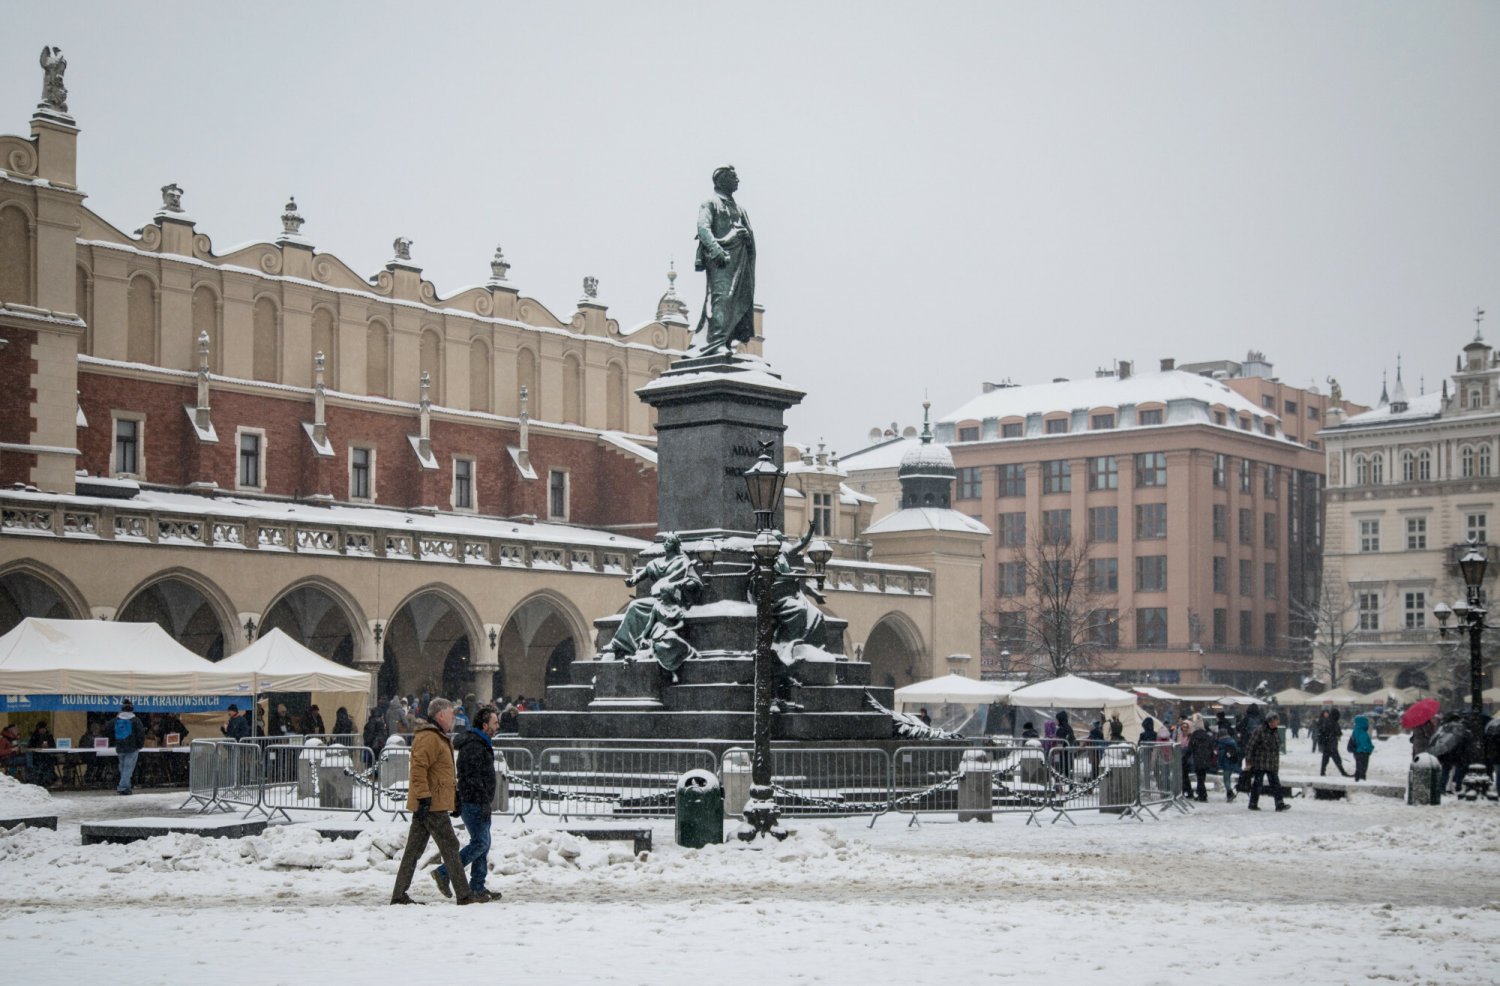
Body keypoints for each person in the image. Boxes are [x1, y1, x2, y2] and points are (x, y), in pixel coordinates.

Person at [389, 698, 477, 906]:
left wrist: (453, 797)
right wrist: (424, 797)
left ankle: (399, 894)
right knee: (450, 845)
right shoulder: (430, 737)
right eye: (451, 714)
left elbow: (440, 773)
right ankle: (464, 894)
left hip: (432, 801)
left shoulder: (436, 736)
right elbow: (418, 769)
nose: (453, 718)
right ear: (440, 715)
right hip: (431, 803)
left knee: (413, 850)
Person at [432, 705, 501, 904]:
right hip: (474, 802)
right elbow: (471, 778)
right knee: (480, 843)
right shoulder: (474, 746)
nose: (497, 726)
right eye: (495, 722)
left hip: (479, 801)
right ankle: (444, 872)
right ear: (485, 725)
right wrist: (482, 799)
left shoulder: (480, 742)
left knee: (483, 843)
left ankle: (477, 886)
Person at [693, 165, 756, 356]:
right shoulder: (710, 203)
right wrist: (717, 250)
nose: (738, 180)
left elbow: (749, 234)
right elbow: (703, 228)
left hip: (740, 261)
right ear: (721, 180)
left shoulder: (740, 209)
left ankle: (726, 341)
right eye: (733, 177)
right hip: (721, 260)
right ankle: (715, 342)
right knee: (721, 299)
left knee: (736, 300)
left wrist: (746, 238)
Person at [1244, 711, 1289, 811]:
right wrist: (1248, 761)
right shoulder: (1259, 731)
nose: (1278, 722)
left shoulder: (1275, 731)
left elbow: (1276, 748)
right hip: (1260, 763)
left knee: (1276, 784)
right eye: (1276, 720)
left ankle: (1279, 804)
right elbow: (1250, 746)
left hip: (1271, 764)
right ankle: (1253, 803)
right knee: (1257, 784)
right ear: (1270, 721)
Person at [112, 699, 146, 795]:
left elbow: (107, 728)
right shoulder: (135, 720)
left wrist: (114, 742)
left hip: (120, 747)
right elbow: (141, 734)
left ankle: (127, 786)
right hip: (132, 747)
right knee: (128, 768)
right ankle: (123, 787)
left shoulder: (117, 719)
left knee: (122, 768)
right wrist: (140, 745)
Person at [1188, 719, 1216, 802]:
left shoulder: (1194, 735)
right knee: (1202, 777)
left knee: (1199, 777)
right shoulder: (1207, 735)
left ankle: (1203, 795)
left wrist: (1187, 756)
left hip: (1197, 758)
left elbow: (1190, 747)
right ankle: (1201, 794)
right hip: (1206, 759)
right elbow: (1211, 747)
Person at [1318, 708, 1351, 777]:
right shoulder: (1334, 722)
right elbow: (1339, 733)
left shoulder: (1326, 722)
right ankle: (1343, 772)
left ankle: (1322, 772)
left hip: (1326, 744)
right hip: (1332, 744)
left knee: (1325, 759)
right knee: (1337, 759)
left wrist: (1321, 743)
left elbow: (1321, 732)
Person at [1216, 728, 1241, 803]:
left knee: (1226, 779)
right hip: (1232, 763)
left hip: (1226, 764)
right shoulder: (1232, 741)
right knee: (1227, 779)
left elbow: (1221, 756)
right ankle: (1229, 794)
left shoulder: (1222, 744)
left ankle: (1230, 793)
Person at [1350, 713, 1375, 782]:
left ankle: (1357, 780)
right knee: (1363, 769)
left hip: (1358, 752)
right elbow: (1364, 743)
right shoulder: (1362, 732)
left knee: (1358, 768)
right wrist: (1370, 748)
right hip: (1363, 752)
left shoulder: (1356, 730)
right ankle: (1361, 781)